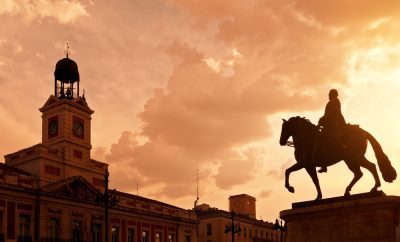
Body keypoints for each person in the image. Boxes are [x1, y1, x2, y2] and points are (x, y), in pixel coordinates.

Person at [317, 89, 347, 173]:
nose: (329, 95)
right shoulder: (334, 102)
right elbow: (328, 114)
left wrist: (323, 119)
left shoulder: (334, 102)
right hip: (330, 124)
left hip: (334, 125)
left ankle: (324, 165)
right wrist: (322, 120)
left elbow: (330, 113)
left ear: (333, 95)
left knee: (322, 138)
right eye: (329, 94)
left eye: (330, 94)